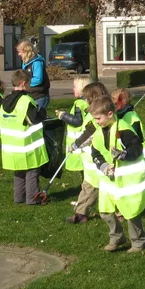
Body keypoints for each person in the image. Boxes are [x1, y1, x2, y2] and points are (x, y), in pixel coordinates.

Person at [88, 96, 145, 253]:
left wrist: (124, 154)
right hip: (109, 180)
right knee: (104, 211)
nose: (96, 122)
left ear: (110, 114)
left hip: (127, 180)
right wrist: (103, 166)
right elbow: (95, 153)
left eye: (98, 118)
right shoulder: (99, 132)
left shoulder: (123, 129)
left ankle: (139, 241)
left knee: (131, 211)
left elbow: (137, 149)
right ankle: (117, 237)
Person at [0, 70, 48, 205]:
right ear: (22, 83)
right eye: (28, 83)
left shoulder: (5, 101)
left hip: (11, 146)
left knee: (19, 172)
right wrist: (42, 112)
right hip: (27, 145)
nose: (30, 86)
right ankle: (32, 198)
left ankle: (19, 197)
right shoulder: (26, 101)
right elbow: (34, 119)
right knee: (32, 171)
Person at [65, 81, 110, 223]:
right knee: (88, 187)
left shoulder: (99, 115)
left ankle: (119, 214)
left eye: (86, 97)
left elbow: (89, 133)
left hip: (100, 160)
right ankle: (81, 214)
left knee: (106, 189)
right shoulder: (92, 113)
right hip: (90, 160)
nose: (85, 100)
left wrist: (76, 144)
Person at [112, 88, 145, 208]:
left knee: (144, 177)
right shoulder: (125, 114)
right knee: (144, 178)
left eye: (115, 101)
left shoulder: (130, 117)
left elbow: (133, 136)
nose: (112, 103)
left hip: (138, 150)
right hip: (137, 149)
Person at [55, 76, 91, 222]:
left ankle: (84, 200)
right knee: (86, 174)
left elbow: (77, 121)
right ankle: (84, 200)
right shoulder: (87, 102)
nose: (73, 89)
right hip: (85, 142)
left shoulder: (78, 103)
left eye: (75, 87)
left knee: (86, 175)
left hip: (79, 144)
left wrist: (63, 115)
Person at [17, 38, 50, 116]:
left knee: (36, 118)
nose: (18, 54)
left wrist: (25, 84)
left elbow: (38, 79)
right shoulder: (25, 63)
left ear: (25, 51)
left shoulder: (37, 63)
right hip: (31, 96)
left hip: (40, 96)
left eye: (19, 52)